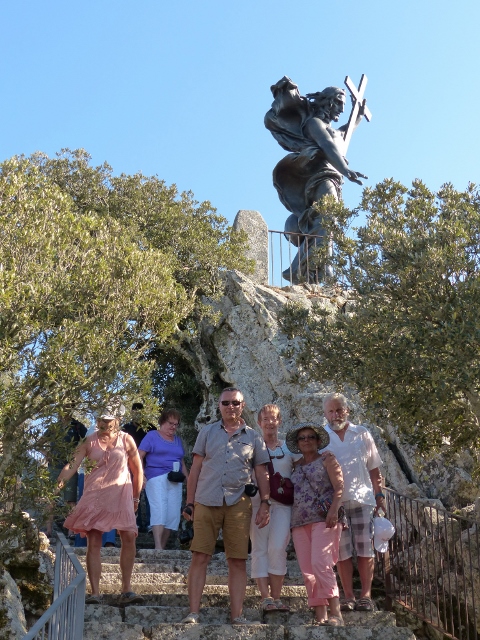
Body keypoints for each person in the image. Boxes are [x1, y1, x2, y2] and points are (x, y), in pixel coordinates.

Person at [181, 387, 271, 625]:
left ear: (242, 406)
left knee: (238, 559)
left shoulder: (253, 436)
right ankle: (193, 613)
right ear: (218, 406)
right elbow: (195, 469)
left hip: (238, 503)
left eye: (235, 403)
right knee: (200, 556)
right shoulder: (207, 432)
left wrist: (265, 502)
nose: (230, 407)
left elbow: (261, 472)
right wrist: (189, 503)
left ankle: (237, 615)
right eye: (226, 403)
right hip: (206, 500)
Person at [265, 76, 367, 281]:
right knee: (327, 219)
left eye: (344, 105)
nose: (341, 108)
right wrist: (346, 170)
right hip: (321, 178)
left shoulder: (331, 129)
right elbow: (327, 145)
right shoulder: (314, 124)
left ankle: (303, 267)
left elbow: (341, 136)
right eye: (338, 102)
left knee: (327, 221)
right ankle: (316, 267)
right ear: (327, 101)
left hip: (333, 179)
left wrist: (356, 118)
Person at [57, 401, 144, 605]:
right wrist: (57, 487)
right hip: (95, 495)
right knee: (94, 541)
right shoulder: (89, 441)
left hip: (121, 492)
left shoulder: (127, 440)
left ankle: (127, 589)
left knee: (129, 536)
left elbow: (138, 470)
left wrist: (136, 497)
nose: (104, 424)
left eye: (108, 420)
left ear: (117, 420)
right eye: (102, 420)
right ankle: (95, 593)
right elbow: (72, 465)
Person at [322, 392, 385, 612]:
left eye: (339, 409)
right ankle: (348, 596)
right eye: (331, 410)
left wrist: (379, 496)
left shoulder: (362, 433)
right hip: (336, 504)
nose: (335, 414)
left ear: (347, 410)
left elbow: (374, 468)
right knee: (342, 552)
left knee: (366, 548)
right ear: (325, 413)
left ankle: (366, 596)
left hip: (363, 499)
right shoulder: (321, 438)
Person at [287, 422, 345, 626]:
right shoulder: (296, 466)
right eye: (302, 438)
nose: (306, 440)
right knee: (307, 569)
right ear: (297, 443)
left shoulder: (327, 459)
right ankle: (321, 616)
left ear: (318, 440)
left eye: (310, 437)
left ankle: (336, 613)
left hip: (323, 518)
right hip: (298, 522)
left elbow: (339, 488)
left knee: (321, 563)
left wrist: (334, 511)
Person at [250, 404, 299, 612]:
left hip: (282, 505)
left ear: (279, 421)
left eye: (274, 419)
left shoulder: (288, 447)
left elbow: (305, 464)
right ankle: (265, 598)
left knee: (278, 547)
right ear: (259, 423)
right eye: (266, 419)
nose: (270, 423)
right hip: (256, 505)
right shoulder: (252, 446)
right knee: (259, 549)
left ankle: (277, 597)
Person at [138, 409, 188, 550]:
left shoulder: (177, 440)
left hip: (175, 479)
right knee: (159, 509)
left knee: (173, 515)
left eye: (176, 424)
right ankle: (158, 547)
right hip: (156, 477)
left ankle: (162, 547)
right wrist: (141, 475)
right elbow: (138, 455)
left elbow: (182, 461)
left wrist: (189, 480)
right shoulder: (152, 436)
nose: (173, 426)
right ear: (162, 422)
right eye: (170, 423)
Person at [123, 402, 156, 532]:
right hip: (129, 466)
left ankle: (149, 524)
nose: (137, 415)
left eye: (139, 413)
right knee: (132, 494)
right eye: (135, 412)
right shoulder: (125, 429)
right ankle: (134, 522)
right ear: (131, 413)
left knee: (149, 496)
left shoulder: (151, 428)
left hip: (148, 467)